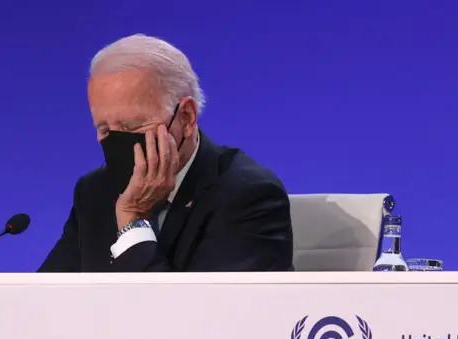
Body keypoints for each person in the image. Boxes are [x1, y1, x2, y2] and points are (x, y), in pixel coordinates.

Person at [38, 34, 293, 272]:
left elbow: (199, 315)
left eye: (131, 127)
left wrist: (132, 220)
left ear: (186, 117)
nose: (116, 142)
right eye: (104, 128)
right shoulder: (95, 191)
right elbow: (45, 298)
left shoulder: (247, 196)